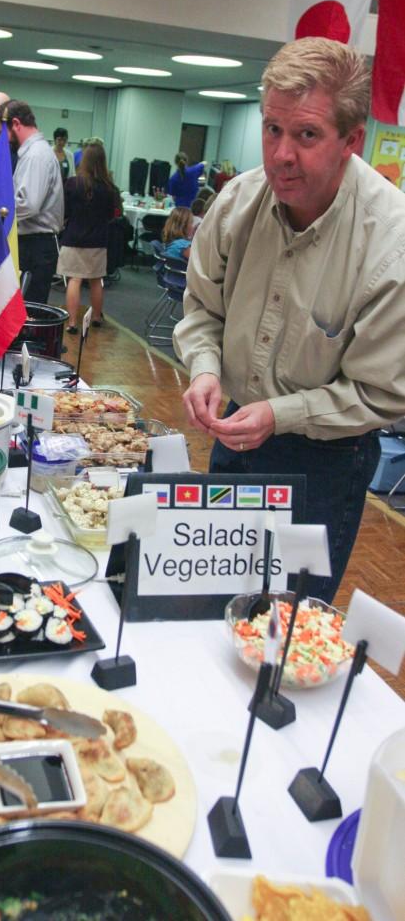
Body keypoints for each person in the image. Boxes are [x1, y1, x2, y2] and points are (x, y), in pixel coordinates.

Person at [174, 36, 405, 605]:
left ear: (351, 141)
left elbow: (379, 393)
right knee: (209, 601)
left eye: (306, 135)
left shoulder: (390, 246)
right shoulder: (238, 203)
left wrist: (282, 414)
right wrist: (205, 369)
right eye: (272, 129)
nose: (280, 154)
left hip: (327, 462)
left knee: (283, 626)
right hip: (236, 434)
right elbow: (203, 306)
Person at [0, 99, 64, 305]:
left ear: (16, 124)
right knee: (25, 309)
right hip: (33, 243)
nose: (4, 138)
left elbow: (28, 203)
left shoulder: (36, 155)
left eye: (5, 130)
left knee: (28, 312)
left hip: (36, 245)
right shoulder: (34, 153)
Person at [57, 142, 117, 333]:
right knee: (96, 280)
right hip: (98, 241)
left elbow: (64, 212)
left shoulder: (73, 184)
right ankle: (97, 317)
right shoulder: (109, 188)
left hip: (73, 238)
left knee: (74, 280)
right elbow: (111, 215)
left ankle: (73, 322)